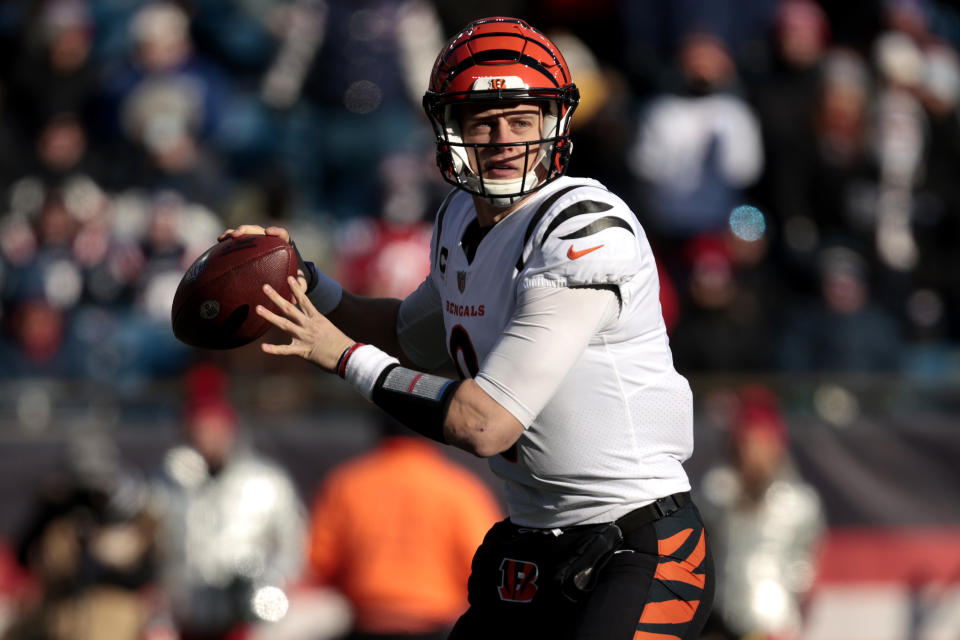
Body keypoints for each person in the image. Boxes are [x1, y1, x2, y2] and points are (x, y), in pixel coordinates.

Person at [221, 17, 714, 640]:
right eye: (483, 120)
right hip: (536, 543)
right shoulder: (461, 217)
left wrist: (344, 357)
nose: (503, 137)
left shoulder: (582, 229)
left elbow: (484, 423)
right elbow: (407, 334)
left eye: (522, 118)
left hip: (639, 544)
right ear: (450, 128)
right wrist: (305, 279)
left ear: (553, 124)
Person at [306, 414, 502, 639]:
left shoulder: (347, 483)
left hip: (365, 624)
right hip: (438, 627)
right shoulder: (459, 489)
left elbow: (318, 561)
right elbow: (485, 568)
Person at [148, 363, 307, 640]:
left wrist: (266, 587)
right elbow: (152, 551)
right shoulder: (166, 484)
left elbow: (294, 547)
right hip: (184, 618)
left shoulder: (267, 483)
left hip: (249, 622)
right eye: (199, 428)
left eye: (214, 427)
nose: (207, 437)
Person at [698, 385, 825, 640]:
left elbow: (806, 567)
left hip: (775, 623)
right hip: (721, 621)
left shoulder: (798, 503)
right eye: (746, 444)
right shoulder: (717, 492)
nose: (753, 453)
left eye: (760, 443)